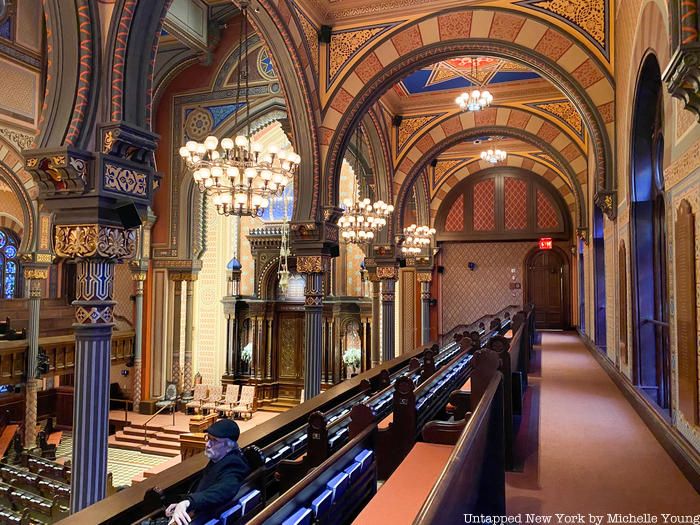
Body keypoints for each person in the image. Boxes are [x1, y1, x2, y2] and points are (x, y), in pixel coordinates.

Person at [166, 419, 250, 525]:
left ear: (229, 445)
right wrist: (183, 503)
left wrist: (189, 502)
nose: (207, 444)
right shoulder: (220, 458)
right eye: (208, 438)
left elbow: (223, 490)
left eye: (214, 440)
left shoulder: (233, 465)